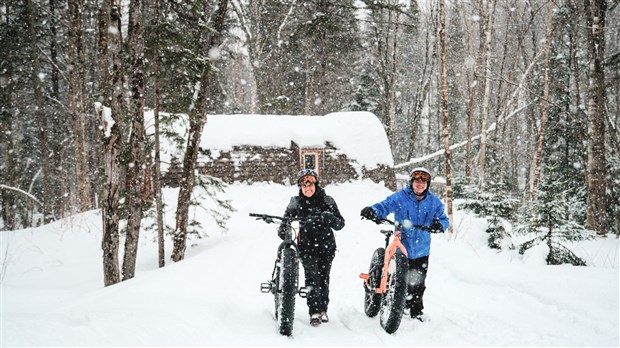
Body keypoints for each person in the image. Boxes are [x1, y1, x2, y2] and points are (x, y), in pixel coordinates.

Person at [360, 167, 449, 321]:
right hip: (401, 244)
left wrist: (439, 225)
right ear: (411, 182)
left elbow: (443, 219)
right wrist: (373, 211)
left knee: (418, 282)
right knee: (398, 278)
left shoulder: (434, 202)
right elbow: (384, 206)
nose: (420, 184)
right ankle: (390, 297)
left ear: (427, 184)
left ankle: (415, 311)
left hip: (421, 248)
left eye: (423, 182)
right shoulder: (401, 197)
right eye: (417, 181)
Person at [278, 169, 345, 326]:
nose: (307, 188)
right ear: (300, 187)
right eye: (303, 185)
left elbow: (340, 223)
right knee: (312, 276)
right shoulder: (296, 202)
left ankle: (323, 309)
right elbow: (285, 221)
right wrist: (284, 229)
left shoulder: (327, 201)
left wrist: (330, 218)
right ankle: (314, 311)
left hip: (326, 246)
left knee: (323, 277)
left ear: (316, 184)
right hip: (306, 246)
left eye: (310, 184)